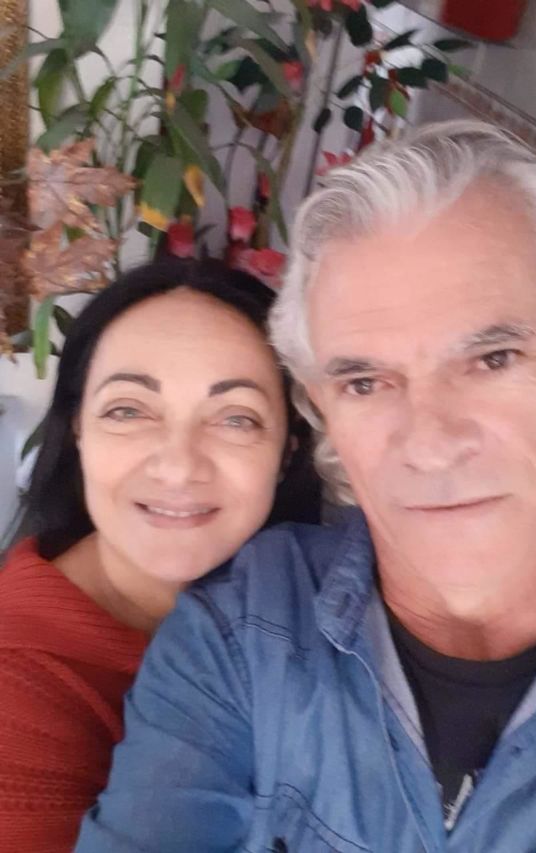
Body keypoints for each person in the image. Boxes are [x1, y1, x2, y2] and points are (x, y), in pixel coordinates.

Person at [75, 121, 536, 853]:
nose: (430, 444)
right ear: (324, 410)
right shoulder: (240, 637)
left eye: (494, 357)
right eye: (365, 382)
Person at [0, 257, 320, 853]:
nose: (177, 466)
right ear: (78, 429)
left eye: (235, 418)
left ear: (287, 450)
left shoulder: (321, 605)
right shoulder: (16, 687)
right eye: (128, 410)